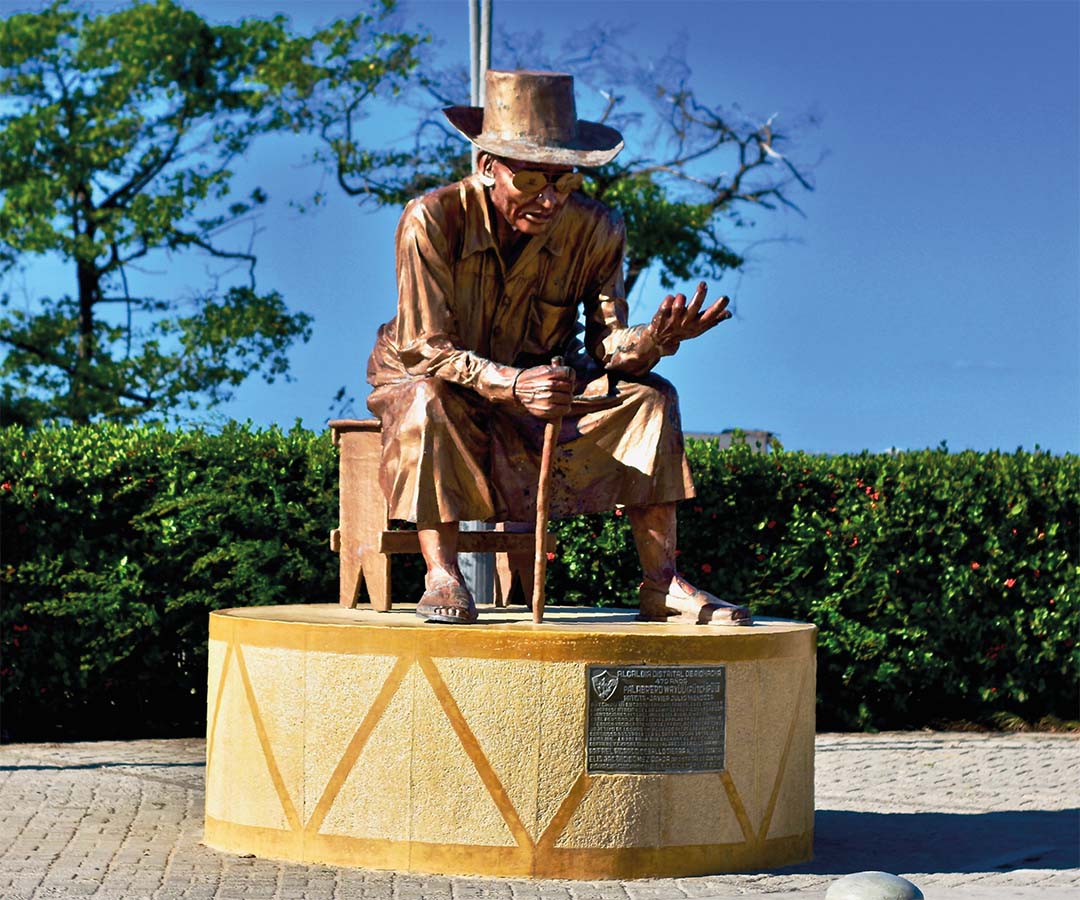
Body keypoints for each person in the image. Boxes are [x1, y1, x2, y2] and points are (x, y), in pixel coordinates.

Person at [366, 70, 751, 627]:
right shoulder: (431, 219)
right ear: (486, 168)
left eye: (564, 182)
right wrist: (511, 383)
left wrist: (653, 341)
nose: (549, 200)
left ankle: (661, 583)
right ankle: (442, 574)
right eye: (531, 182)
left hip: (541, 392)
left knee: (650, 399)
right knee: (427, 399)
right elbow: (426, 348)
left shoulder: (598, 229)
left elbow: (606, 342)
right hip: (441, 383)